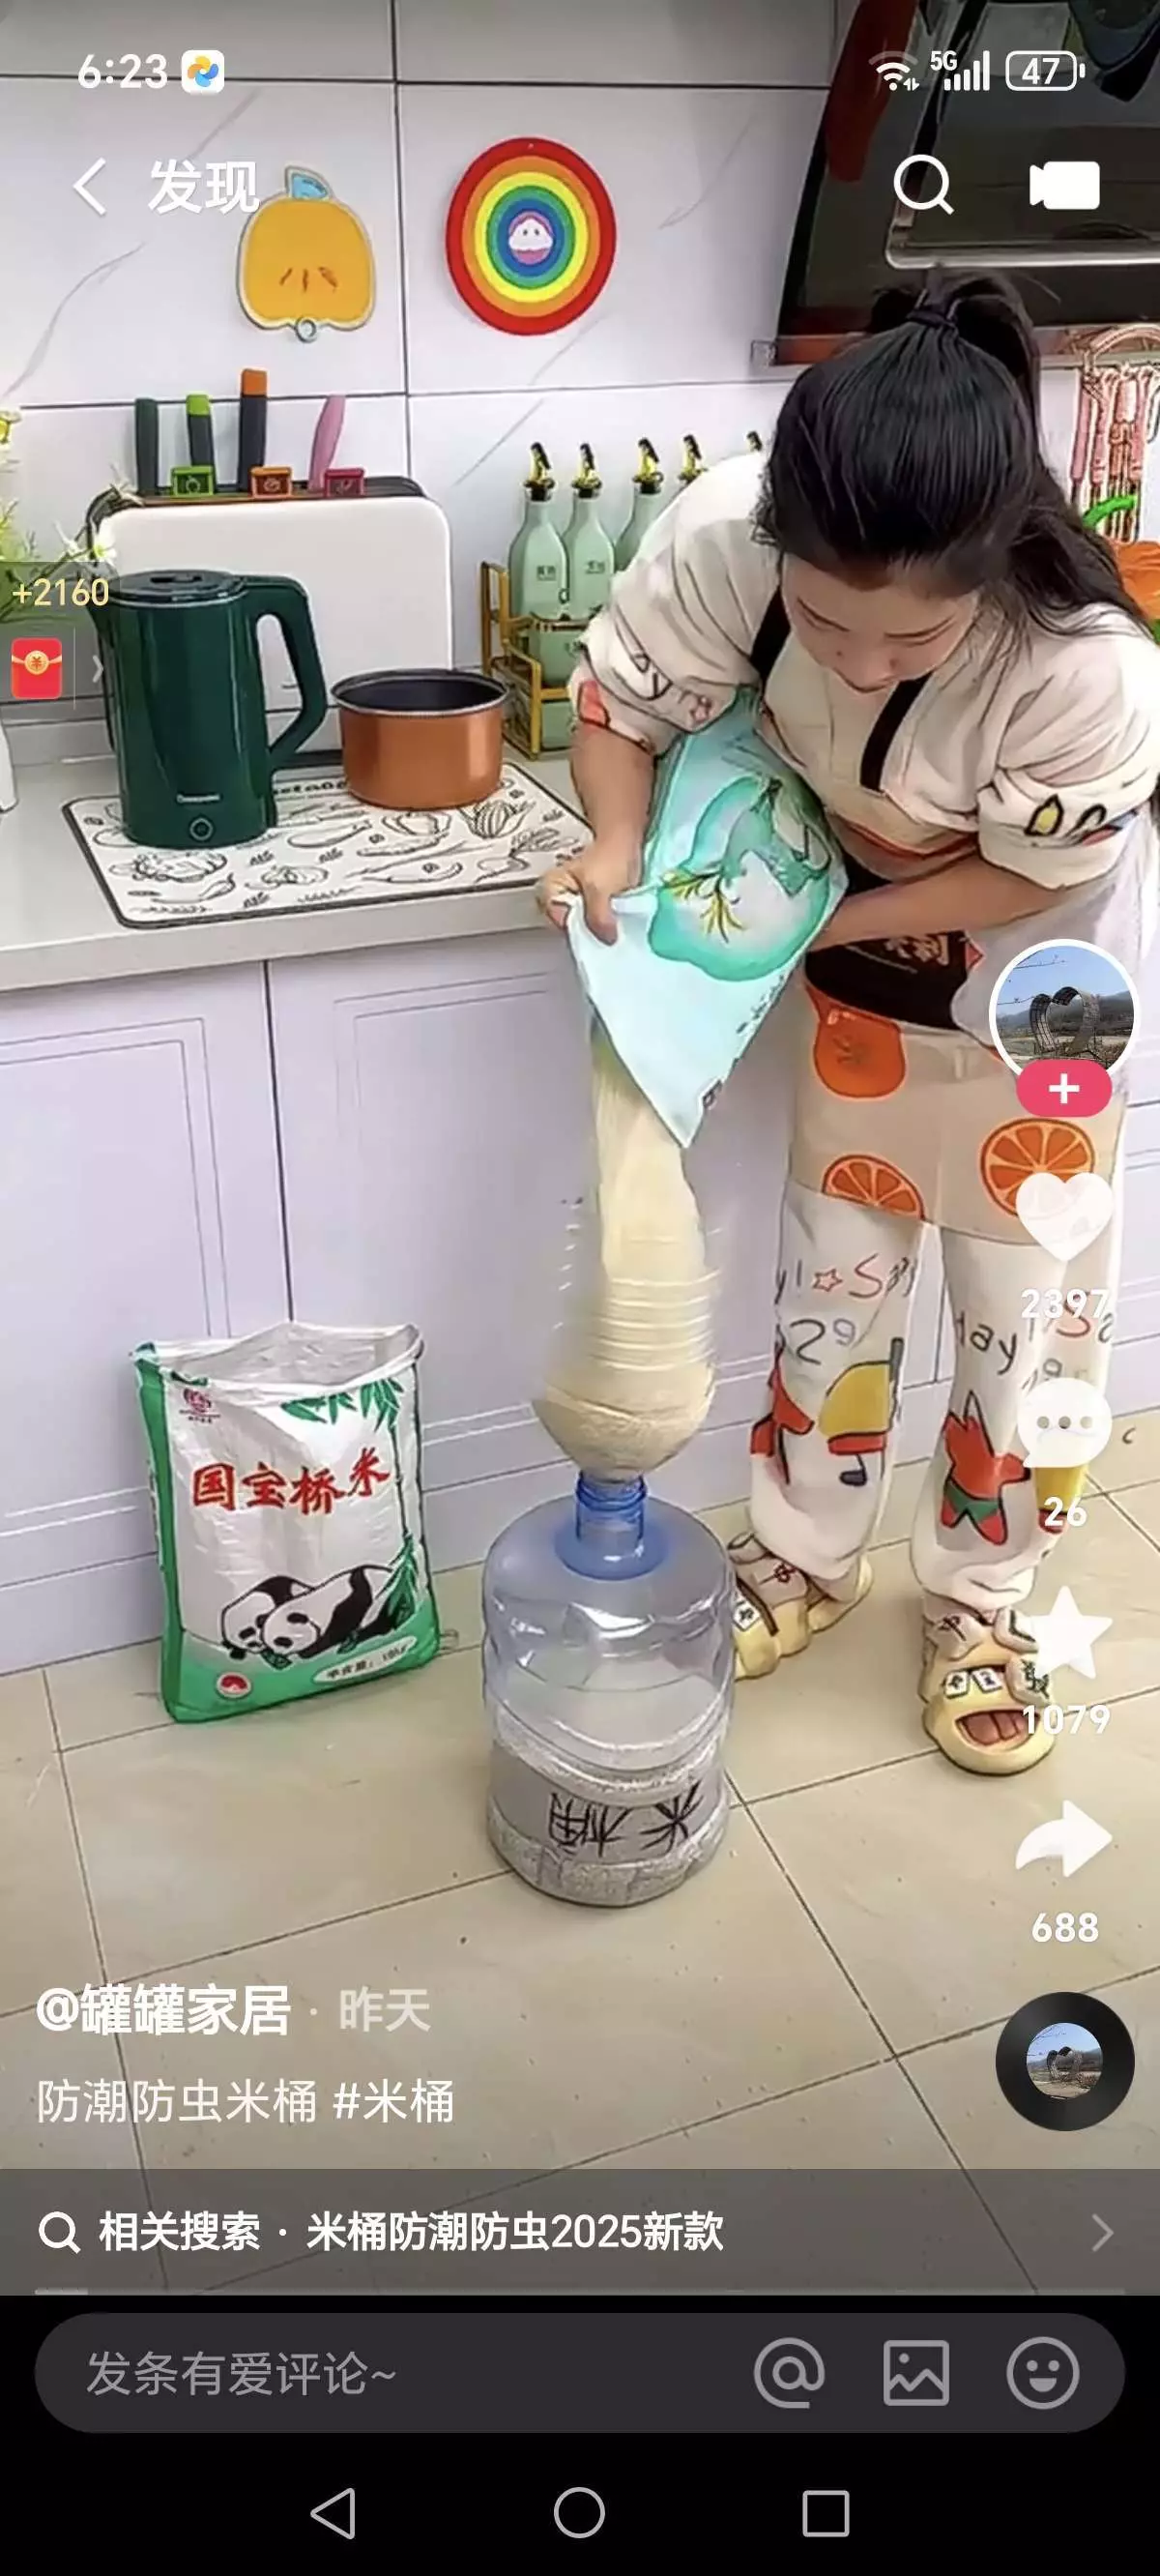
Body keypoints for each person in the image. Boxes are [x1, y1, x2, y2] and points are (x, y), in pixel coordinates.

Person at [538, 271, 1160, 1777]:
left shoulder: (1085, 663)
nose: (864, 664)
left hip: (1039, 1004)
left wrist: (810, 923)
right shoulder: (724, 538)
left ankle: (984, 1601)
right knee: (835, 1287)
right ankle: (807, 1554)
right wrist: (614, 849)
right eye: (825, 622)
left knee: (1024, 1319)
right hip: (866, 1004)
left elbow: (1032, 872)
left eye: (914, 642)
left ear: (993, 572)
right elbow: (622, 702)